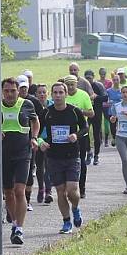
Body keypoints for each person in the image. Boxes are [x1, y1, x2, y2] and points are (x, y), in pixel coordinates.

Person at [0, 77, 39, 245]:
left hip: (23, 153)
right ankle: (14, 223)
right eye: (6, 91)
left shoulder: (27, 104)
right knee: (8, 192)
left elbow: (35, 122)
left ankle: (19, 229)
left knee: (19, 190)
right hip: (3, 154)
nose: (9, 94)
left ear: (18, 91)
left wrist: (34, 138)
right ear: (2, 92)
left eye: (12, 91)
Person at [39, 82, 86, 233]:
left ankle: (76, 208)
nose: (58, 95)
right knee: (60, 191)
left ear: (66, 94)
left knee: (72, 190)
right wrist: (41, 142)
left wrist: (75, 135)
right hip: (53, 156)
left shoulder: (74, 111)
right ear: (52, 95)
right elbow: (36, 131)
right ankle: (66, 222)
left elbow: (85, 128)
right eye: (55, 93)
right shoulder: (47, 112)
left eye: (61, 92)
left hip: (72, 155)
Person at [62, 76, 94, 198]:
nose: (70, 87)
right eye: (68, 85)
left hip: (81, 133)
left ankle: (82, 188)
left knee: (80, 161)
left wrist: (79, 111)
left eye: (72, 84)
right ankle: (66, 187)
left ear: (76, 84)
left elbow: (91, 113)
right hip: (65, 134)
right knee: (64, 162)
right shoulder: (62, 95)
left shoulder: (83, 95)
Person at [17, 75, 43, 211]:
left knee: (29, 172)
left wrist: (36, 137)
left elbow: (40, 120)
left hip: (29, 143)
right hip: (12, 143)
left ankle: (27, 200)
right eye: (21, 87)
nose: (23, 90)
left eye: (25, 87)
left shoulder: (32, 102)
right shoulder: (9, 102)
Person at [33, 84, 53, 204]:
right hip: (39, 139)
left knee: (49, 165)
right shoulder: (33, 106)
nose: (41, 94)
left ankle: (48, 191)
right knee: (40, 166)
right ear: (36, 94)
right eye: (39, 92)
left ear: (47, 94)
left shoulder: (52, 106)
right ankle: (41, 188)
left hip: (50, 139)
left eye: (43, 92)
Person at [85, 69, 107, 166]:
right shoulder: (84, 86)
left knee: (96, 134)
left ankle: (96, 155)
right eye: (86, 78)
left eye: (90, 78)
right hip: (86, 113)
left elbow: (105, 98)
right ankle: (89, 152)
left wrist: (96, 97)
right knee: (84, 133)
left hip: (97, 113)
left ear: (93, 77)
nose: (88, 80)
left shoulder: (98, 85)